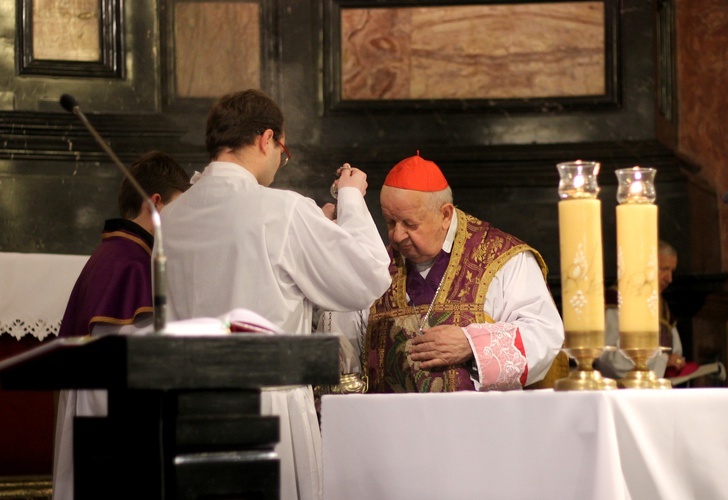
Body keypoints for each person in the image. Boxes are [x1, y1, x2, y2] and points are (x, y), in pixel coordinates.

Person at [160, 89, 391, 500]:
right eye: (282, 151)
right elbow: (367, 278)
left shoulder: (170, 219)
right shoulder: (282, 209)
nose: (279, 163)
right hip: (267, 409)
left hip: (189, 409)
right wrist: (351, 198)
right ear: (267, 139)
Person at [321, 153, 566, 392]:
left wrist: (472, 345)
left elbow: (544, 335)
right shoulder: (377, 267)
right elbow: (345, 346)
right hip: (393, 426)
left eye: (410, 224)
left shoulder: (502, 259)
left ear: (445, 215)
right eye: (390, 222)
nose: (397, 235)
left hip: (480, 426)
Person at [53, 151, 191, 500]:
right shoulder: (131, 265)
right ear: (157, 204)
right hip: (111, 427)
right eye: (180, 206)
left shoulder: (112, 253)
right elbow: (125, 369)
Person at [597, 240, 725, 384]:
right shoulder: (616, 302)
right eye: (664, 269)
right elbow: (610, 362)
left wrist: (676, 362)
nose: (669, 279)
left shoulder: (662, 307)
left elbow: (675, 353)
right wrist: (663, 361)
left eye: (672, 271)